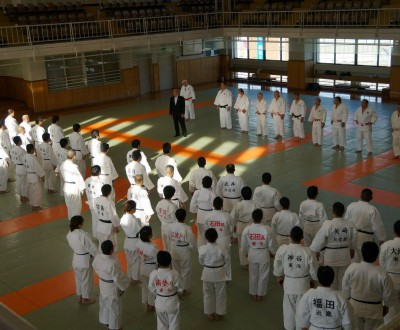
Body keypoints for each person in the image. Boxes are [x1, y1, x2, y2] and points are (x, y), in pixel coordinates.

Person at [342, 241, 396, 330]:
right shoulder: (382, 273)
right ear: (377, 255)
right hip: (374, 310)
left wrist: (348, 300)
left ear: (362, 254)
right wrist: (386, 306)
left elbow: (345, 287)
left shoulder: (352, 268)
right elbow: (388, 294)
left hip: (355, 307)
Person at [273, 226, 318, 330]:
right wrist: (313, 280)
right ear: (302, 237)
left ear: (290, 236)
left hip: (288, 283)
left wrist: (280, 277)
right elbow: (314, 271)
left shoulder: (283, 249)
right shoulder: (307, 251)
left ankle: (289, 328)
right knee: (303, 312)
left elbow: (277, 266)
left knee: (289, 311)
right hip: (304, 284)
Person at [310, 202, 357, 290]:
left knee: (331, 280)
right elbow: (354, 240)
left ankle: (333, 298)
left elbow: (319, 240)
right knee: (343, 281)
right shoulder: (350, 225)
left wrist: (316, 250)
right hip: (345, 255)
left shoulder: (328, 224)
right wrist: (352, 249)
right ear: (344, 212)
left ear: (333, 212)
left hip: (331, 256)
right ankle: (341, 299)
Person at [296, 265, 353, 330]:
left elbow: (301, 317)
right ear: (333, 278)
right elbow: (348, 322)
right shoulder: (340, 297)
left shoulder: (309, 295)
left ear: (318, 278)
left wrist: (303, 327)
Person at [92, 240, 130, 330]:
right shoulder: (113, 262)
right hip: (111, 286)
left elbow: (95, 267)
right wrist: (122, 287)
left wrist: (102, 274)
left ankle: (107, 324)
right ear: (111, 250)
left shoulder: (98, 257)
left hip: (102, 283)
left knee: (105, 304)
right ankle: (114, 327)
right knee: (114, 309)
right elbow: (118, 277)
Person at [242, 209, 277, 301]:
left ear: (252, 217)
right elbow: (271, 244)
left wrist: (246, 252)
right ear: (262, 218)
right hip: (264, 254)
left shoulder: (247, 229)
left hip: (252, 253)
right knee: (263, 275)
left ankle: (253, 293)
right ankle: (260, 294)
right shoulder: (267, 229)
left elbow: (244, 244)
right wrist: (273, 253)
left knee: (253, 275)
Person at [345, 188, 386, 262]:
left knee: (352, 259)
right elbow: (377, 226)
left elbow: (346, 222)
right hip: (366, 238)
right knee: (365, 259)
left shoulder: (351, 206)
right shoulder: (372, 209)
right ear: (371, 198)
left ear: (360, 196)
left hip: (351, 236)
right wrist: (381, 239)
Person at [198, 228, 230, 321]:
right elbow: (227, 259)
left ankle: (209, 313)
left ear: (206, 238)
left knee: (208, 293)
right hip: (220, 272)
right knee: (220, 294)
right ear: (217, 237)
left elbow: (201, 261)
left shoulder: (202, 249)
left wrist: (207, 264)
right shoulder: (222, 247)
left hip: (207, 272)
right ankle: (219, 313)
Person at [66, 215, 98, 305]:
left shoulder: (69, 234)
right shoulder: (83, 235)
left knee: (79, 279)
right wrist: (98, 256)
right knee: (86, 280)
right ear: (80, 225)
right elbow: (91, 248)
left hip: (76, 259)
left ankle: (80, 296)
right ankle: (85, 299)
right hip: (85, 260)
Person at [149, 251, 183, 329]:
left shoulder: (154, 273)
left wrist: (158, 293)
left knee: (161, 324)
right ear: (170, 261)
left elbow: (151, 287)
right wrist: (178, 293)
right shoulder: (174, 274)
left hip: (159, 301)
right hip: (172, 301)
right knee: (174, 323)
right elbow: (180, 289)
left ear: (157, 262)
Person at [205, 197, 234, 281]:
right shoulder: (227, 216)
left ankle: (215, 276)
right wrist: (230, 235)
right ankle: (227, 277)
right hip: (224, 239)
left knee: (213, 258)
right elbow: (231, 229)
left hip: (211, 239)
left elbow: (206, 228)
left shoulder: (208, 215)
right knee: (226, 259)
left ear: (213, 205)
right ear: (222, 205)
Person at [170, 208, 196, 296]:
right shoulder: (187, 228)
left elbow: (170, 237)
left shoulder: (171, 226)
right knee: (185, 271)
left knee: (176, 270)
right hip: (184, 251)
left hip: (174, 249)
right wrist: (191, 249)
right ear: (185, 217)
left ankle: (177, 288)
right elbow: (192, 242)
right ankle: (184, 290)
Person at [230, 186, 257, 267]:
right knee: (252, 244)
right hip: (252, 227)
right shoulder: (255, 204)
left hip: (241, 227)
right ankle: (252, 260)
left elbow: (232, 217)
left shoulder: (238, 205)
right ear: (251, 195)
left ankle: (244, 263)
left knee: (241, 245)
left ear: (241, 195)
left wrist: (234, 226)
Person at [379, 220, 400, 323]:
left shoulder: (386, 245)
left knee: (390, 312)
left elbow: (382, 266)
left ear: (394, 231)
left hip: (390, 280)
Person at [190, 175, 216, 247]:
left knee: (201, 234)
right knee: (210, 233)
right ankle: (210, 247)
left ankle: (201, 250)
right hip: (210, 215)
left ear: (202, 183)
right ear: (211, 184)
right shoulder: (213, 194)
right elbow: (215, 207)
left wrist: (195, 215)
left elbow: (193, 205)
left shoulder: (197, 192)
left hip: (200, 214)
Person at [120, 200, 142, 285]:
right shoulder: (133, 220)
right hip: (134, 242)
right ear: (132, 209)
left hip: (127, 242)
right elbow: (139, 231)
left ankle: (130, 276)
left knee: (129, 261)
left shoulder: (123, 217)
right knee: (136, 261)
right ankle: (135, 279)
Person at [136, 226, 158, 312]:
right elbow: (157, 259)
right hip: (151, 269)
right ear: (150, 236)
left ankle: (146, 302)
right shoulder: (152, 247)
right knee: (152, 287)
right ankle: (151, 305)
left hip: (142, 267)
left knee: (145, 287)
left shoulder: (138, 243)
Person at [59, 150, 86, 220]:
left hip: (66, 187)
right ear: (74, 157)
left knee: (69, 205)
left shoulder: (62, 164)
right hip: (73, 188)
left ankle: (71, 219)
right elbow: (78, 178)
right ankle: (75, 221)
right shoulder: (73, 167)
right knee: (76, 206)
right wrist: (82, 188)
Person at [23, 144, 45, 210]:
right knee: (37, 192)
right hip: (34, 176)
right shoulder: (32, 158)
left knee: (32, 191)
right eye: (34, 149)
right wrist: (42, 176)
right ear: (32, 150)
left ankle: (33, 204)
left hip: (28, 175)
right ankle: (36, 206)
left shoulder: (24, 157)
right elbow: (37, 168)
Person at [156, 186, 178, 252]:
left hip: (163, 225)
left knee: (165, 244)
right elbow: (175, 219)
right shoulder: (173, 206)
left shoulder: (159, 203)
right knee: (172, 245)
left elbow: (158, 214)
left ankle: (166, 258)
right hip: (171, 227)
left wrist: (163, 221)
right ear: (173, 194)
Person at [85, 165, 104, 238]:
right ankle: (100, 235)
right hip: (99, 203)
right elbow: (101, 194)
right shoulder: (100, 182)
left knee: (94, 219)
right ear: (99, 172)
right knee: (101, 220)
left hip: (91, 202)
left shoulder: (87, 180)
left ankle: (96, 234)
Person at [10, 136, 28, 201]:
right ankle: (24, 197)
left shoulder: (12, 150)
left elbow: (12, 159)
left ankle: (21, 196)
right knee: (24, 183)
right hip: (22, 167)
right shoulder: (21, 150)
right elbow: (25, 160)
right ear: (19, 141)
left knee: (19, 182)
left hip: (17, 167)